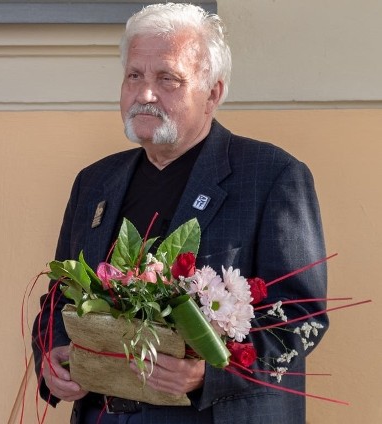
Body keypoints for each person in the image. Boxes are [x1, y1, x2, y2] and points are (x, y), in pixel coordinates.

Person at [32, 3, 327, 423]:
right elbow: (58, 298)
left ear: (213, 93)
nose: (144, 94)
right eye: (134, 75)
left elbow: (302, 317)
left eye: (167, 79)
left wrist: (211, 373)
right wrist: (52, 358)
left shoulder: (273, 176)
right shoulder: (94, 182)